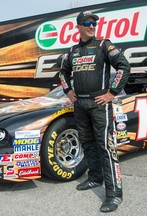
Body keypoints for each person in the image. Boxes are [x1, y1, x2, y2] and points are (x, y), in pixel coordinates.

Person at [59, 10, 130, 213]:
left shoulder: (104, 45)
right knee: (87, 142)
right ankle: (94, 178)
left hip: (99, 104)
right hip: (80, 105)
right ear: (79, 26)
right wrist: (68, 90)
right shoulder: (71, 51)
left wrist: (112, 92)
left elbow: (124, 67)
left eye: (94, 23)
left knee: (106, 147)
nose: (92, 26)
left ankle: (114, 194)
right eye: (87, 23)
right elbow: (62, 73)